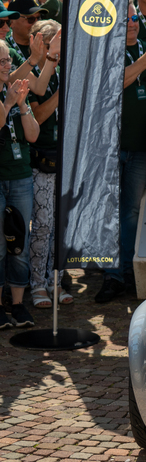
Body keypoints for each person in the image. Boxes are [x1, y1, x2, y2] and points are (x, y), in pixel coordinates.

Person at [95, 14, 146, 302]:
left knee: (129, 211)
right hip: (110, 147)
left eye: (135, 18)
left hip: (144, 147)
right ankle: (112, 275)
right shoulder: (108, 48)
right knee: (110, 212)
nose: (131, 23)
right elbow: (109, 87)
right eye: (125, 18)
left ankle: (123, 273)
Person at [26, 20, 63, 308]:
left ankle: (57, 281)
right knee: (42, 226)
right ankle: (37, 283)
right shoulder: (33, 74)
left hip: (68, 159)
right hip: (42, 160)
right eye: (55, 45)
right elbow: (37, 118)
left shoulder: (66, 70)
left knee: (62, 227)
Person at [0, 48, 37, 329]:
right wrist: (10, 102)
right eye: (0, 61)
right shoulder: (8, 94)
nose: (5, 65)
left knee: (19, 243)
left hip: (21, 176)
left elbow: (32, 135)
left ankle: (17, 304)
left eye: (7, 60)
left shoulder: (15, 90)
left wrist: (22, 105)